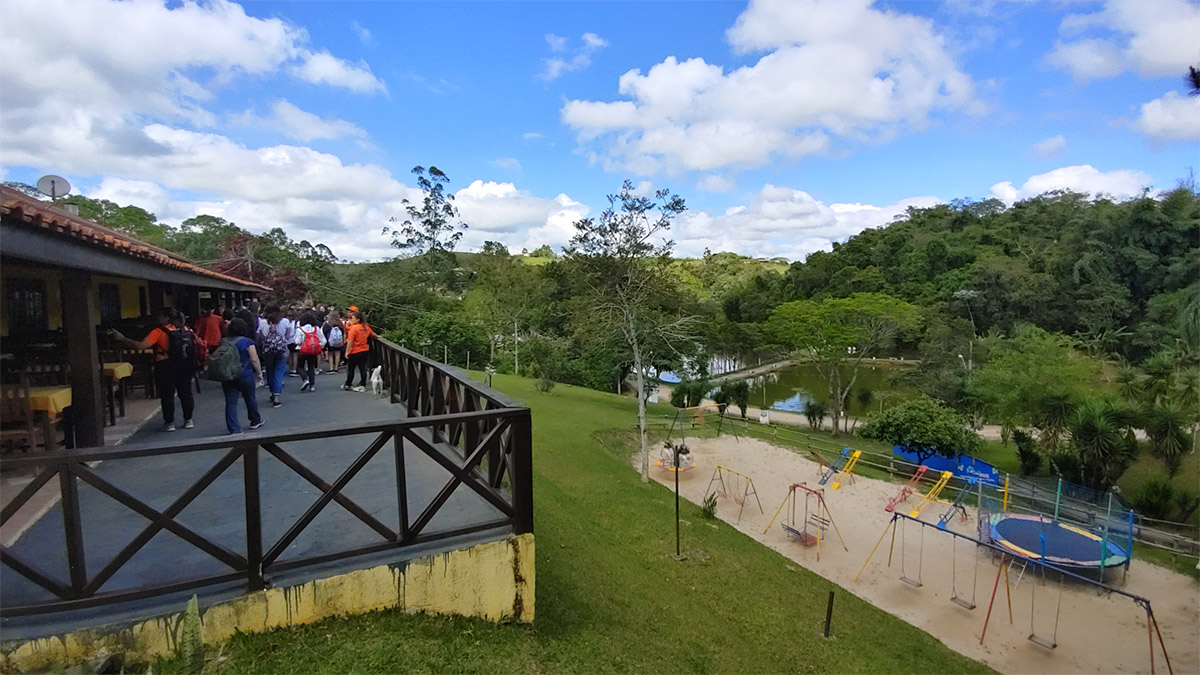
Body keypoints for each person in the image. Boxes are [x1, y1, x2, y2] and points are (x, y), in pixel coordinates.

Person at [110, 307, 195, 431]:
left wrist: (123, 339)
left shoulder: (159, 331)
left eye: (160, 316)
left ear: (166, 318)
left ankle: (169, 423)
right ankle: (188, 420)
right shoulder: (186, 329)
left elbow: (141, 346)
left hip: (165, 365)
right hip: (185, 364)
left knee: (167, 395)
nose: (158, 318)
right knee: (186, 392)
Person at [220, 317, 264, 434]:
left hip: (228, 375)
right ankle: (255, 420)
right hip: (245, 374)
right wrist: (259, 373)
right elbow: (254, 359)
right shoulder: (247, 342)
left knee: (231, 402)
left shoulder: (224, 342)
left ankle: (234, 428)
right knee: (250, 398)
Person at [257, 304, 291, 408]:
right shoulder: (285, 321)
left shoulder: (262, 322)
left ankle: (272, 392)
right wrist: (283, 341)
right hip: (282, 349)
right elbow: (288, 335)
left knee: (270, 371)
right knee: (279, 372)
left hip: (267, 351)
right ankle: (277, 396)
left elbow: (259, 336)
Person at [294, 311, 327, 392]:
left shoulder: (300, 329)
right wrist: (319, 345)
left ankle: (305, 380)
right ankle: (312, 385)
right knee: (311, 366)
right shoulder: (316, 329)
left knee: (300, 366)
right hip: (313, 350)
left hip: (303, 350)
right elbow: (322, 339)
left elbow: (298, 341)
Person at [341, 310, 373, 392]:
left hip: (355, 350)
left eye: (353, 318)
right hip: (364, 349)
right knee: (362, 367)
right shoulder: (366, 327)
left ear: (358, 319)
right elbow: (373, 334)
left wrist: (347, 351)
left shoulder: (354, 328)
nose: (352, 319)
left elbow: (350, 340)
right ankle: (362, 384)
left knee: (351, 368)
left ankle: (348, 383)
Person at [322, 310, 346, 374]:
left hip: (330, 341)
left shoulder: (328, 323)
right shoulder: (340, 323)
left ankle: (331, 368)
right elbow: (343, 331)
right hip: (339, 341)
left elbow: (324, 331)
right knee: (337, 353)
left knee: (330, 354)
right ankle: (336, 368)